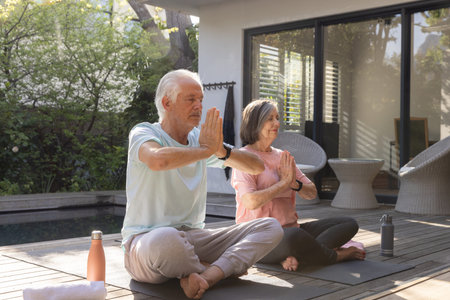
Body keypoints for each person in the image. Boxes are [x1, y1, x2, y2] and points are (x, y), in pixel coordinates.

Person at [121, 70, 283, 299]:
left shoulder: (200, 140)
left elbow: (256, 166)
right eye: (190, 100)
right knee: (167, 239)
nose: (199, 106)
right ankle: (212, 268)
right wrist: (205, 151)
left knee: (270, 227)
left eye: (200, 100)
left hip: (193, 239)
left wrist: (220, 150)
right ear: (167, 103)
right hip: (146, 244)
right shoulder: (144, 132)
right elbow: (159, 160)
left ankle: (206, 276)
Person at [231, 99, 365, 272]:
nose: (277, 123)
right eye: (270, 119)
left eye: (277, 118)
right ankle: (335, 256)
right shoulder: (244, 158)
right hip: (259, 236)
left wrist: (295, 184)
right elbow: (250, 202)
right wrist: (283, 184)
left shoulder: (283, 157)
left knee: (348, 223)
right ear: (255, 123)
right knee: (295, 237)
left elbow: (311, 192)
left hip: (292, 232)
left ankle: (296, 255)